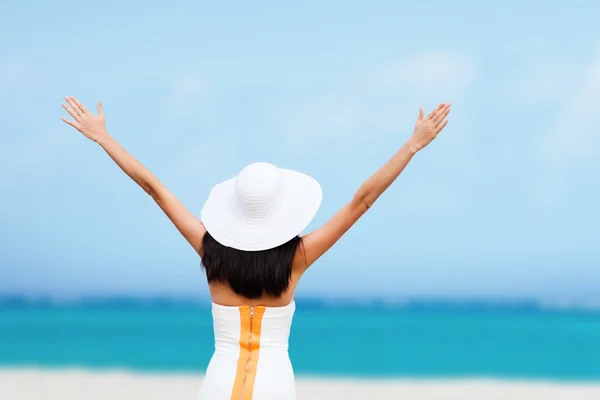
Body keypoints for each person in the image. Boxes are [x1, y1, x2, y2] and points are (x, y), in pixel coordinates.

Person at [61, 96, 451, 400]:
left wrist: (103, 138)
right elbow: (362, 201)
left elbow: (155, 190)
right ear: (283, 212)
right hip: (273, 385)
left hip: (218, 383)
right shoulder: (296, 259)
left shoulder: (209, 251)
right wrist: (413, 145)